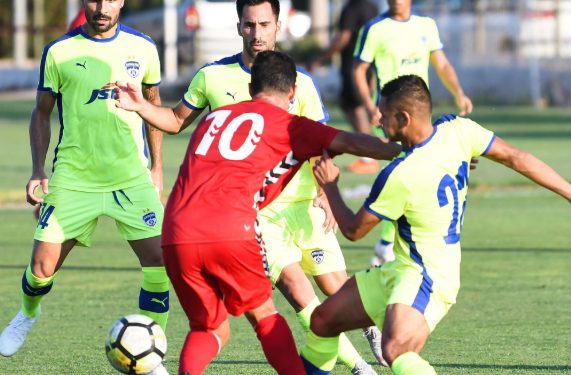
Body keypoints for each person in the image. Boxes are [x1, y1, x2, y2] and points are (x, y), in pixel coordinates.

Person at [111, 0, 385, 372]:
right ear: (239, 25)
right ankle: (359, 368)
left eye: (264, 24)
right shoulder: (214, 78)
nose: (257, 34)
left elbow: (325, 144)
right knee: (287, 299)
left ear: (278, 26)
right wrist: (409, 146)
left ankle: (365, 337)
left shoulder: (275, 93)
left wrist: (323, 192)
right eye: (249, 24)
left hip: (222, 220)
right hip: (250, 218)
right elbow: (343, 139)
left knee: (220, 325)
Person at [299, 74, 571, 375]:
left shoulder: (400, 175)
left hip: (428, 275)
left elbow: (352, 230)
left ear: (404, 118)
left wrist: (331, 185)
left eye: (384, 114)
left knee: (395, 350)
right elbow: (515, 157)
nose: (377, 119)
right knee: (324, 320)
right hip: (402, 269)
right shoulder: (458, 130)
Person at [0, 2, 170, 375]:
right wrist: (36, 170)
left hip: (131, 178)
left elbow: (154, 106)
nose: (101, 7)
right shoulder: (59, 51)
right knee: (41, 268)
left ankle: (151, 354)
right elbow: (41, 112)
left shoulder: (143, 48)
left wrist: (157, 166)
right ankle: (27, 314)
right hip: (75, 178)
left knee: (159, 263)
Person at [353, 0, 474, 267]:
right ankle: (387, 244)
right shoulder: (375, 29)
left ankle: (389, 245)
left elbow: (442, 64)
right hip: (389, 117)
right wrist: (371, 106)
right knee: (402, 173)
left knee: (410, 174)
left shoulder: (426, 25)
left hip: (418, 117)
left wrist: (458, 93)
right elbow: (359, 70)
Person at [308, 0, 378, 150]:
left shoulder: (351, 8)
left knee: (356, 106)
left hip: (353, 64)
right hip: (367, 62)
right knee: (347, 104)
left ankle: (368, 155)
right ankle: (366, 146)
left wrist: (321, 58)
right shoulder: (373, 7)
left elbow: (343, 38)